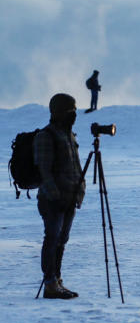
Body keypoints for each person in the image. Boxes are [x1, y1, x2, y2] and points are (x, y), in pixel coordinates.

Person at [34, 93, 86, 299]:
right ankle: (49, 283)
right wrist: (56, 195)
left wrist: (79, 191)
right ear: (58, 112)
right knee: (52, 238)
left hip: (70, 197)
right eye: (69, 111)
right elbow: (44, 171)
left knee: (62, 240)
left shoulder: (70, 136)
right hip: (53, 199)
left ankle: (57, 279)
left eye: (74, 110)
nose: (73, 115)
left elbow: (76, 166)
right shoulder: (46, 136)